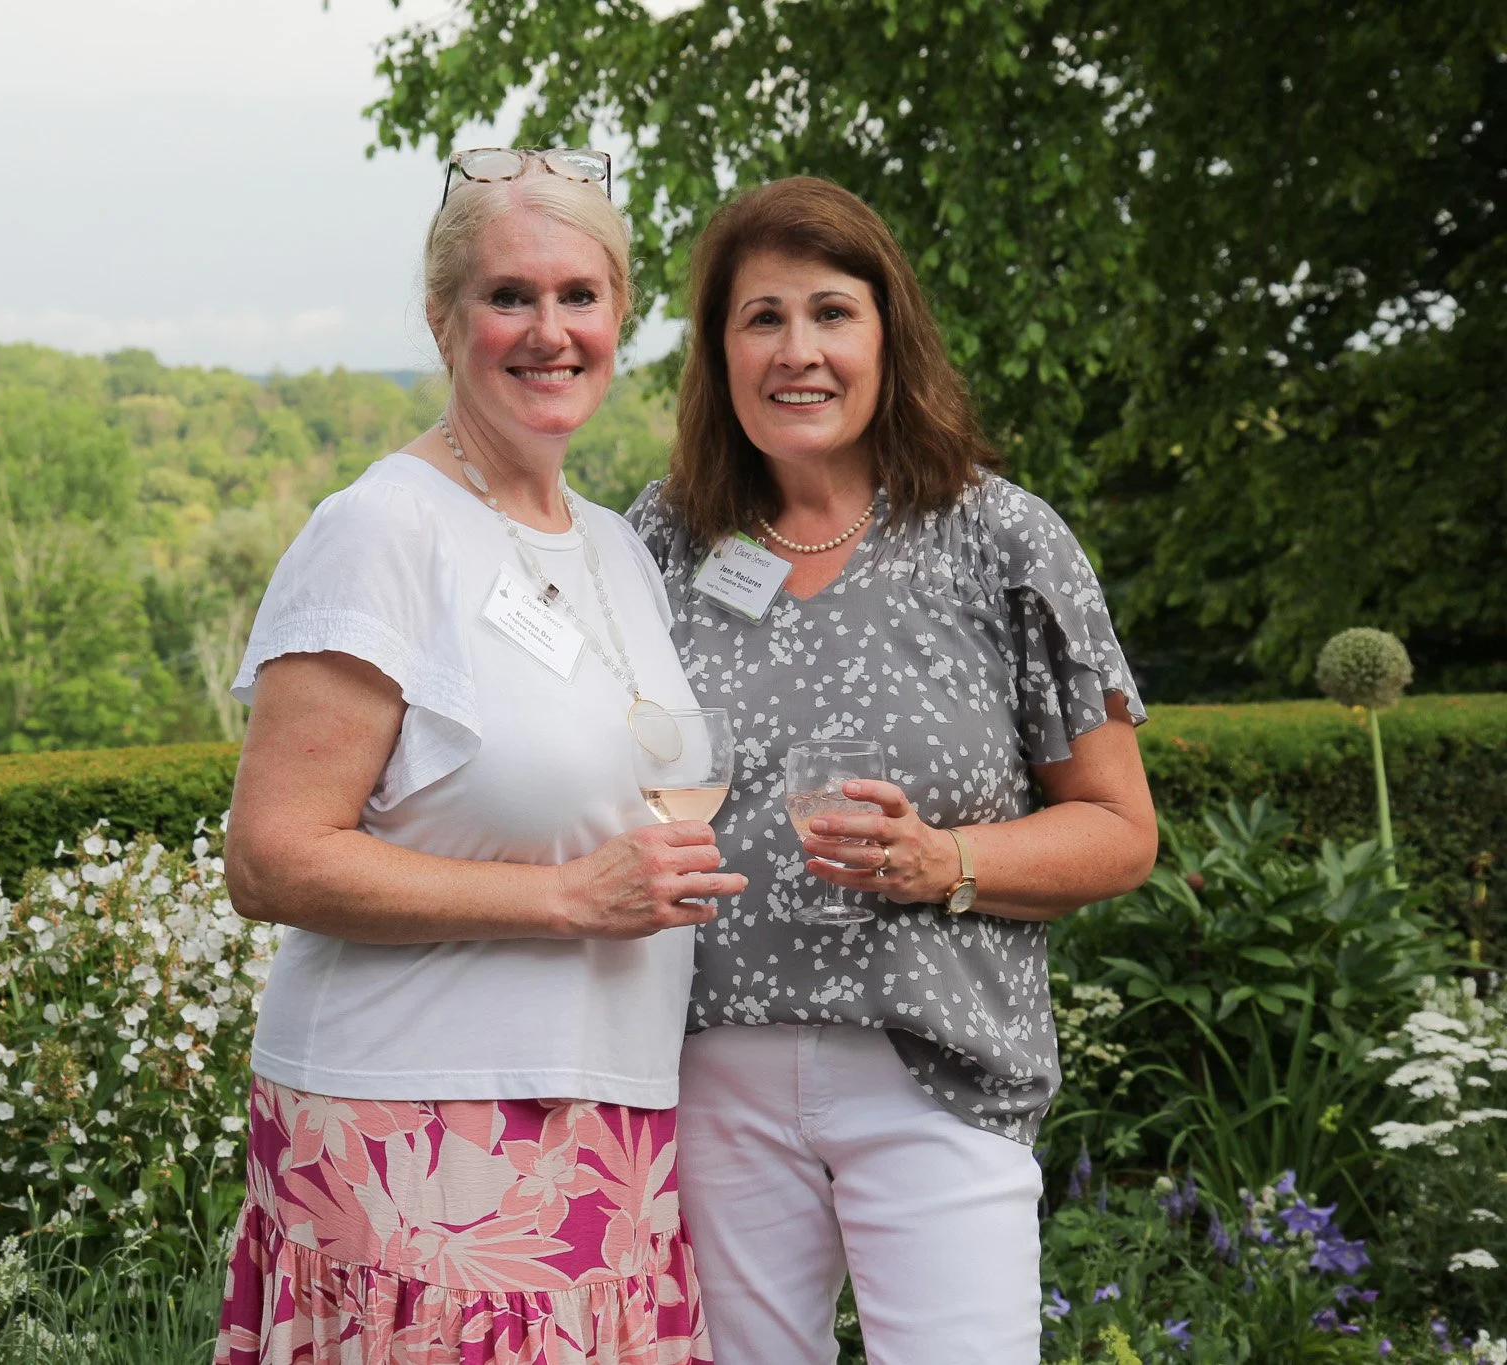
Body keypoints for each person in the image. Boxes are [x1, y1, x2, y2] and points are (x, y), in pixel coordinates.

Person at [214, 147, 745, 1365]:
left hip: (607, 1135)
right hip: (416, 1136)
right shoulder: (381, 529)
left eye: (579, 295)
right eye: (510, 295)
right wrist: (565, 898)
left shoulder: (613, 546)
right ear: (442, 317)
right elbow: (269, 859)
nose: (549, 331)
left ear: (619, 315)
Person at [625, 176, 1158, 1365]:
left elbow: (1120, 830)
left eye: (831, 313)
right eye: (761, 318)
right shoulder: (659, 539)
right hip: (704, 1074)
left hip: (936, 1071)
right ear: (717, 351)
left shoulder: (999, 537)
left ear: (887, 335)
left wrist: (942, 860)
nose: (796, 351)